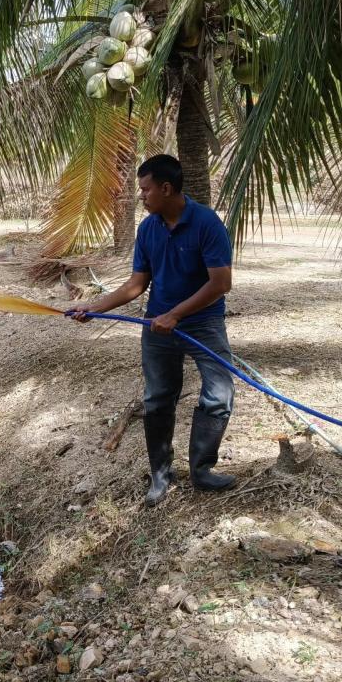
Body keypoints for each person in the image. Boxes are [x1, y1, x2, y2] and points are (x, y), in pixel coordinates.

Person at [67, 153, 236, 506]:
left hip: (203, 323)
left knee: (219, 395)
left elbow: (220, 284)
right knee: (158, 398)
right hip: (157, 324)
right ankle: (160, 474)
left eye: (145, 189)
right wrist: (93, 308)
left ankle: (202, 470)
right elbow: (136, 285)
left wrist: (176, 314)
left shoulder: (207, 224)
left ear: (166, 187)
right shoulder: (148, 229)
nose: (140, 196)